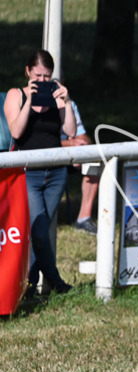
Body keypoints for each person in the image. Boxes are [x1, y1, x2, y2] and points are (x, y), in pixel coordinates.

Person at [3, 50, 76, 294]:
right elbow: (16, 131)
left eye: (47, 76)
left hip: (55, 173)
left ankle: (29, 284)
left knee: (39, 232)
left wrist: (66, 102)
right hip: (27, 174)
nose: (42, 81)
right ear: (27, 72)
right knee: (38, 231)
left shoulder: (57, 96)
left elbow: (71, 131)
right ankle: (56, 282)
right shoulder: (16, 95)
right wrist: (29, 103)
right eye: (38, 76)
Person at [61, 99, 98, 235]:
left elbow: (83, 136)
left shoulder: (68, 103)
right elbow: (39, 143)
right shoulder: (34, 103)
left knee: (94, 161)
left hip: (66, 153)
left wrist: (82, 145)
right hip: (42, 154)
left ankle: (84, 219)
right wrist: (69, 144)